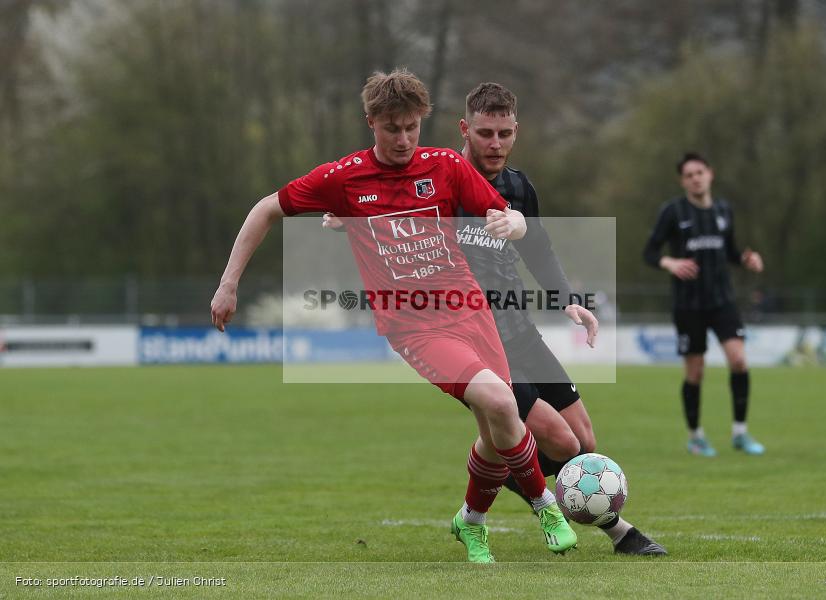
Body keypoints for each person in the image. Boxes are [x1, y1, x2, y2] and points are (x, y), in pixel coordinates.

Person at [210, 69, 577, 563]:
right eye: (392, 129)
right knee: (500, 402)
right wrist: (228, 282)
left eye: (411, 127)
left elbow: (500, 213)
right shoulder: (343, 179)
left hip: (470, 312)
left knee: (495, 426)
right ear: (371, 123)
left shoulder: (445, 165)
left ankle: (470, 522)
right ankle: (545, 505)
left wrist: (510, 222)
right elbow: (265, 209)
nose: (403, 140)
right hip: (414, 326)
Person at [326, 82, 665, 555]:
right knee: (562, 442)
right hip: (472, 336)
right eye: (485, 133)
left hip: (520, 329)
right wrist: (348, 216)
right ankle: (619, 532)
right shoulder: (441, 177)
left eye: (505, 133)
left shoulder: (519, 188)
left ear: (516, 131)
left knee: (583, 437)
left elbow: (538, 247)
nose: (496, 144)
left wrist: (566, 298)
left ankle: (474, 512)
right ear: (464, 128)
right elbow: (382, 201)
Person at [643, 152, 765, 457]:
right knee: (695, 372)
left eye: (700, 172)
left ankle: (740, 432)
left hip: (723, 300)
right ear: (682, 181)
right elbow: (649, 251)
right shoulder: (673, 212)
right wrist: (670, 262)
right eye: (689, 174)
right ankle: (696, 436)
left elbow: (730, 250)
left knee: (738, 360)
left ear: (710, 174)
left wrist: (745, 259)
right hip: (689, 305)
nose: (696, 178)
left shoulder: (724, 210)